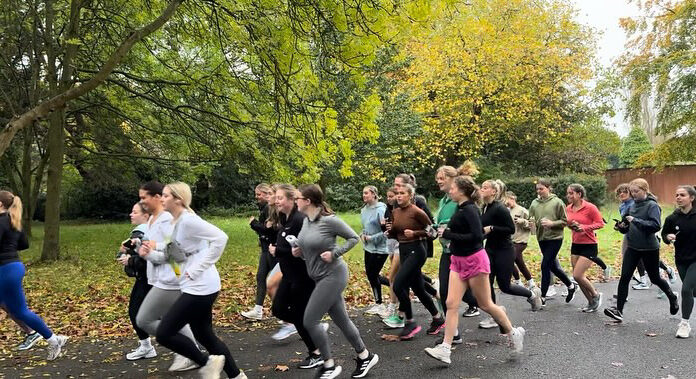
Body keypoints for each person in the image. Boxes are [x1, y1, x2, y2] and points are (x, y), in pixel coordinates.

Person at [424, 176, 524, 365]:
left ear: (462, 190)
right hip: (457, 260)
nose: (450, 191)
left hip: (474, 260)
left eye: (453, 188)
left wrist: (449, 234)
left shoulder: (470, 209)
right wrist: (440, 230)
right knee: (451, 303)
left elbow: (477, 236)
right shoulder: (460, 208)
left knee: (486, 304)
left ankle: (513, 332)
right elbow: (457, 230)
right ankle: (446, 348)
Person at [153, 182, 245, 379]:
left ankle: (207, 363)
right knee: (205, 336)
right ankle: (237, 376)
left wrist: (198, 268)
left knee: (164, 333)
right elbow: (178, 252)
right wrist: (152, 249)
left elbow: (221, 237)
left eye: (166, 195)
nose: (162, 199)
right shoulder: (176, 222)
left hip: (201, 286)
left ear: (178, 199)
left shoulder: (188, 220)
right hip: (194, 285)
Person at [295, 184, 379, 379]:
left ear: (308, 201)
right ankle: (365, 356)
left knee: (309, 320)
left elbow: (352, 238)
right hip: (318, 276)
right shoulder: (307, 221)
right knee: (342, 320)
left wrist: (334, 253)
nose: (295, 201)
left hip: (333, 275)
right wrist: (300, 252)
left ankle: (329, 365)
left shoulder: (330, 221)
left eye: (298, 198)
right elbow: (310, 249)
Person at [135, 181, 199, 372]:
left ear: (156, 197)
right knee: (172, 318)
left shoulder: (165, 220)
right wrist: (141, 247)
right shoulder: (152, 219)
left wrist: (150, 254)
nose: (141, 202)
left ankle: (190, 352)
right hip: (161, 278)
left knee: (144, 320)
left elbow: (176, 254)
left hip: (171, 280)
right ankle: (191, 352)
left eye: (144, 197)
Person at [0, 190, 68, 361]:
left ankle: (51, 339)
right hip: (13, 266)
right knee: (11, 306)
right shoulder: (13, 220)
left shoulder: (1, 221)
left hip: (6, 269)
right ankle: (42, 336)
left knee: (20, 310)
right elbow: (23, 244)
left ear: (0, 204)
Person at [604, 178, 679, 323]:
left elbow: (655, 226)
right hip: (633, 246)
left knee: (655, 278)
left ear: (645, 190)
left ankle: (672, 296)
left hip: (649, 247)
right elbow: (627, 226)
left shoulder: (652, 205)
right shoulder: (631, 206)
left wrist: (635, 221)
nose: (633, 194)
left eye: (636, 191)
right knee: (625, 277)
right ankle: (618, 311)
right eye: (632, 192)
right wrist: (621, 227)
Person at [270, 184, 326, 370]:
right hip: (288, 275)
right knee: (278, 309)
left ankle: (316, 352)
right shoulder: (286, 218)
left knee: (300, 314)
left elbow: (305, 246)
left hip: (303, 276)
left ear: (291, 199)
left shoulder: (299, 219)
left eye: (280, 198)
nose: (276, 201)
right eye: (275, 198)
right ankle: (313, 328)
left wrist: (278, 250)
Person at [478, 180, 541, 332]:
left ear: (494, 191)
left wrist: (492, 228)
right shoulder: (484, 207)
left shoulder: (500, 208)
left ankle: (532, 295)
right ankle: (494, 316)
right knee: (488, 282)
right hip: (490, 249)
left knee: (505, 286)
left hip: (504, 250)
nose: (481, 189)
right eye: (482, 187)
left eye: (485, 188)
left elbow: (510, 229)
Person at [387, 183, 444, 340]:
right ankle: (437, 318)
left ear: (410, 196)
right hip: (404, 250)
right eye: (397, 193)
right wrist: (387, 231)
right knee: (418, 288)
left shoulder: (417, 212)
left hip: (417, 250)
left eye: (402, 193)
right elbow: (394, 234)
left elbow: (432, 233)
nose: (398, 195)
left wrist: (415, 233)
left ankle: (410, 322)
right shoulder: (396, 211)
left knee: (398, 285)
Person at [528, 179, 577, 305]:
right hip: (541, 238)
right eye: (537, 189)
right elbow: (531, 219)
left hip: (555, 238)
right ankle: (570, 286)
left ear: (548, 188)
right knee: (552, 266)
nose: (539, 191)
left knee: (545, 265)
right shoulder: (534, 203)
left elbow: (565, 221)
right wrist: (531, 226)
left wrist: (552, 223)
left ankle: (542, 297)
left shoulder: (557, 202)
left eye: (541, 189)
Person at [117, 202, 155, 360]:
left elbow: (140, 257)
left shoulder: (140, 231)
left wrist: (128, 259)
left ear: (145, 215)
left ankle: (147, 346)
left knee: (136, 312)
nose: (130, 215)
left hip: (148, 278)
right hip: (151, 277)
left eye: (134, 212)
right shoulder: (152, 229)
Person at [661, 185, 696, 338]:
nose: (678, 198)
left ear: (692, 198)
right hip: (681, 259)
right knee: (692, 291)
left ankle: (684, 324)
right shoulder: (672, 218)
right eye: (676, 195)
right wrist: (668, 238)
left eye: (682, 195)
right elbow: (664, 235)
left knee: (686, 289)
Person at [565, 184, 604, 313]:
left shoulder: (590, 207)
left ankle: (596, 295)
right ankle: (590, 302)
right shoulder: (568, 208)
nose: (569, 196)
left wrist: (584, 227)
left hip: (589, 245)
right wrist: (573, 226)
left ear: (579, 194)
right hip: (576, 244)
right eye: (568, 193)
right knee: (577, 277)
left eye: (571, 193)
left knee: (577, 275)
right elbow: (568, 223)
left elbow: (600, 224)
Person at [241, 183, 277, 320]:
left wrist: (253, 223)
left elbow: (268, 229)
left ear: (267, 194)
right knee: (261, 277)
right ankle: (258, 309)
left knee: (274, 280)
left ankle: (282, 309)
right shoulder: (266, 208)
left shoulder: (270, 208)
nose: (256, 197)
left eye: (259, 194)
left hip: (272, 249)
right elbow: (266, 228)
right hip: (265, 249)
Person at [360, 186, 390, 316]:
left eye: (366, 193)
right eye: (363, 193)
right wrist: (362, 234)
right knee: (371, 275)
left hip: (381, 248)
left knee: (373, 275)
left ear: (374, 194)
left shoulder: (381, 210)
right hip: (368, 247)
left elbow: (386, 232)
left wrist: (371, 238)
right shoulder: (363, 210)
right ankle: (398, 286)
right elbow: (365, 227)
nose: (364, 195)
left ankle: (379, 304)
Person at [505, 191, 535, 289]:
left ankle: (518, 281)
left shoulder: (522, 210)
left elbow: (533, 226)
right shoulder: (507, 210)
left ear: (513, 198)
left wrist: (523, 222)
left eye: (507, 200)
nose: (506, 203)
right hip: (511, 240)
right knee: (519, 261)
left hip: (521, 241)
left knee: (509, 258)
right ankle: (530, 282)